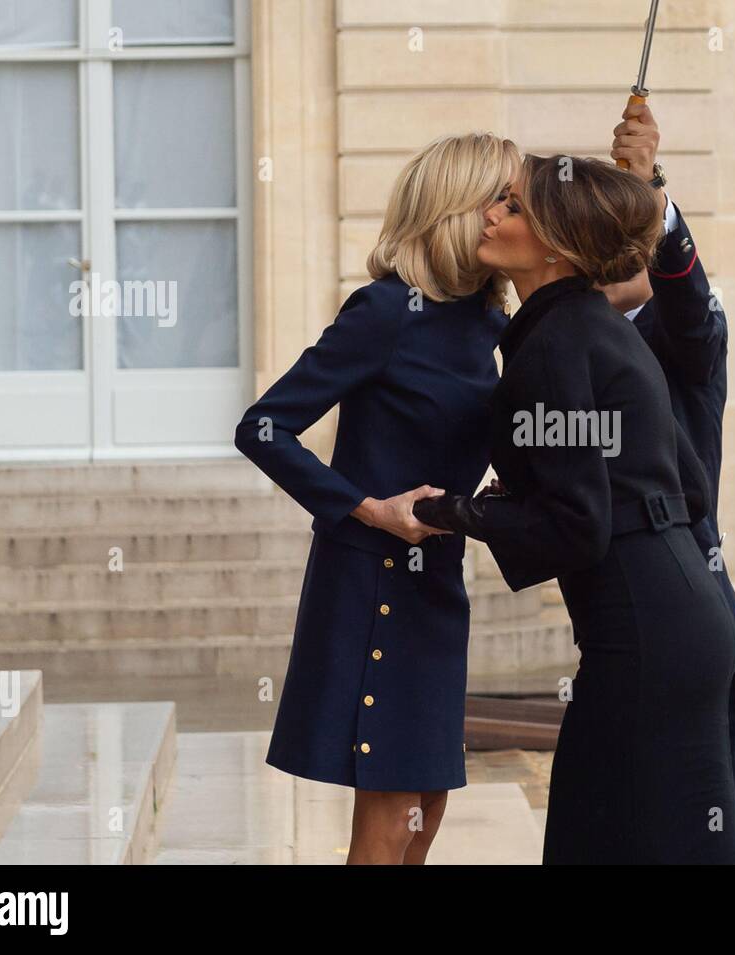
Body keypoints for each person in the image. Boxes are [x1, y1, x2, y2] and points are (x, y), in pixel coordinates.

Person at [412, 153, 735, 864]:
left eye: (511, 206)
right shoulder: (598, 328)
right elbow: (677, 487)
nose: (491, 214)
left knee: (593, 837)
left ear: (557, 244)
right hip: (690, 611)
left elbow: (577, 523)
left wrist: (447, 512)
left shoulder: (556, 341)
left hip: (643, 632)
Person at [233, 133, 518, 864]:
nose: (515, 216)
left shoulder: (494, 325)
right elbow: (263, 426)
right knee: (391, 814)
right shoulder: (387, 311)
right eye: (504, 199)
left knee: (427, 807)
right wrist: (367, 507)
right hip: (372, 584)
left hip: (439, 589)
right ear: (459, 210)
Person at [598, 101, 735, 865]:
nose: (597, 254)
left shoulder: (677, 332)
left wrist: (655, 196)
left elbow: (693, 310)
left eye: (613, 238)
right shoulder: (575, 344)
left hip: (691, 588)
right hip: (614, 616)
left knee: (707, 817)